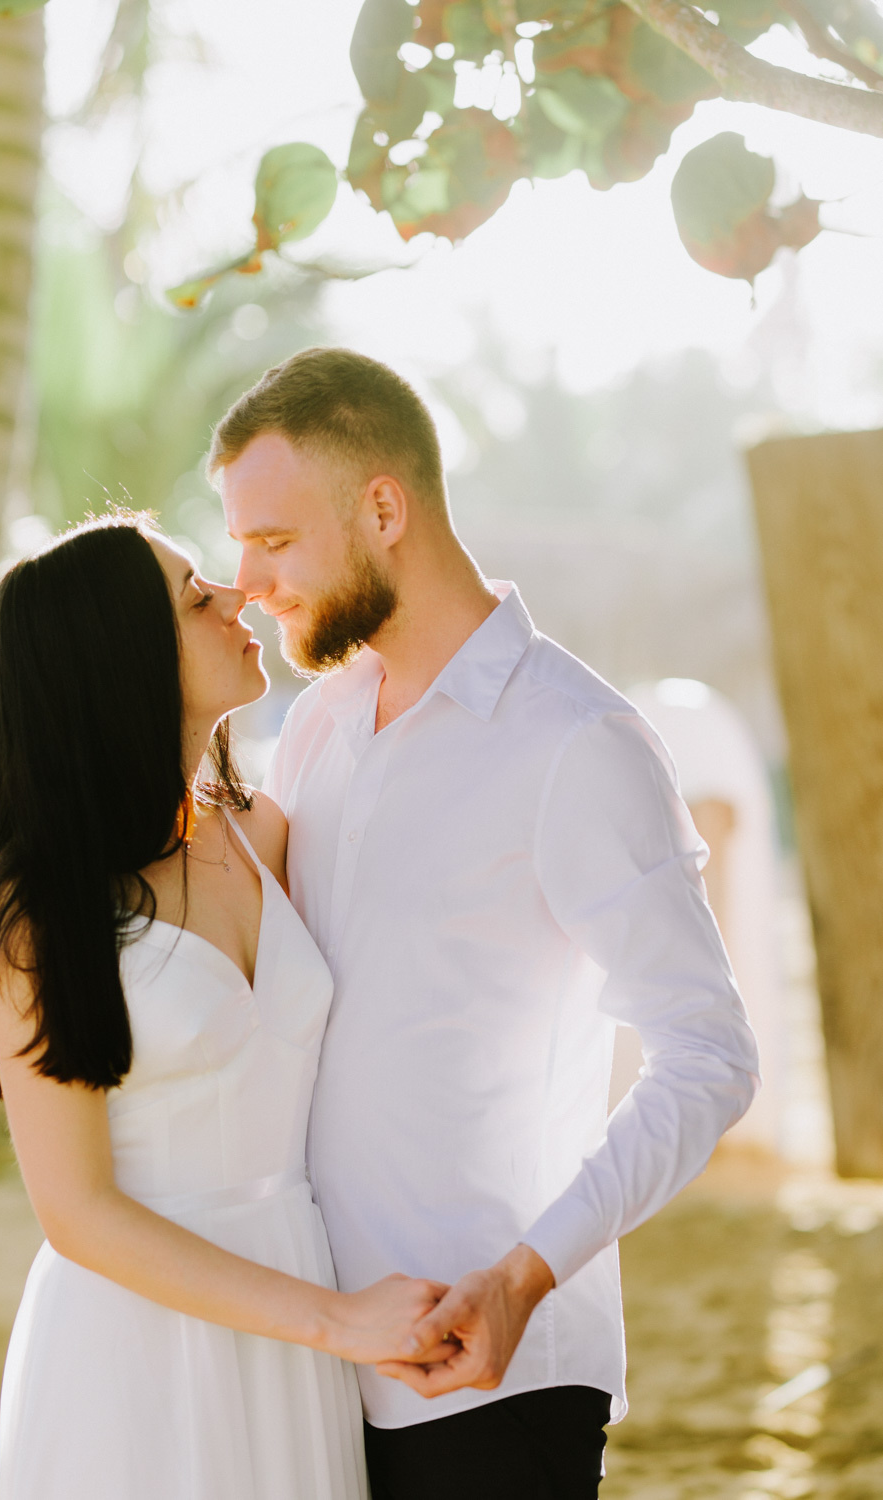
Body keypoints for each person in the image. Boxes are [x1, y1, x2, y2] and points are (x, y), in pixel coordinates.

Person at [211, 347, 762, 1500]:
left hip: (494, 1381)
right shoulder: (315, 727)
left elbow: (708, 1055)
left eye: (273, 540)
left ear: (381, 506)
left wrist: (524, 1276)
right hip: (320, 1365)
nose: (248, 582)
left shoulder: (577, 743)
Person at [0, 513, 453, 1499]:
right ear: (118, 661)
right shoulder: (38, 914)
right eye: (194, 597)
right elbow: (78, 1214)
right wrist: (334, 1319)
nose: (237, 597)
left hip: (296, 1307)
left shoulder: (263, 834)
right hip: (134, 1345)